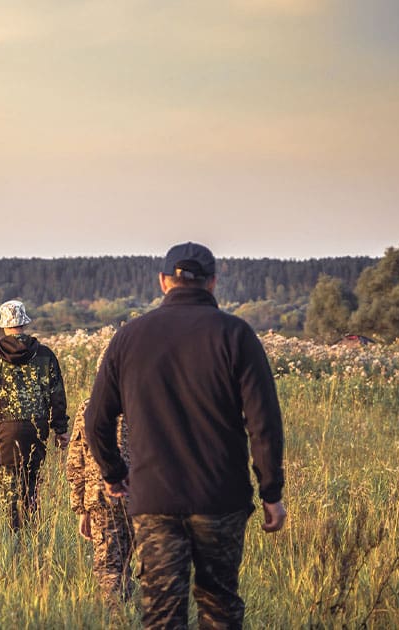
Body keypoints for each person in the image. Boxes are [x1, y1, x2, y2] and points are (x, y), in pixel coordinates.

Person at [85, 242, 286, 629]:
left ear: (163, 282)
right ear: (213, 283)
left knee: (162, 609)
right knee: (220, 603)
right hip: (220, 498)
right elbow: (264, 424)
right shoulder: (236, 334)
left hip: (154, 498)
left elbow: (96, 421)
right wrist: (271, 494)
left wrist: (113, 473)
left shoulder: (129, 337)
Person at [0, 300, 69, 530]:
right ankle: (33, 538)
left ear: (3, 326)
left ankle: (13, 540)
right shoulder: (45, 354)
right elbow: (57, 395)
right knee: (32, 487)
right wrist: (60, 430)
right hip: (36, 430)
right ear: (24, 323)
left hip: (3, 431)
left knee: (9, 493)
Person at [66, 397, 133, 604]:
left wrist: (81, 508)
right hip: (142, 495)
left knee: (108, 565)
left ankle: (115, 616)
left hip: (101, 496)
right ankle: (130, 613)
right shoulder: (148, 401)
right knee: (142, 564)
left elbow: (77, 462)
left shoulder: (89, 406)